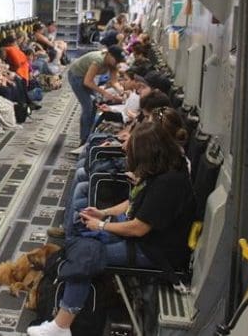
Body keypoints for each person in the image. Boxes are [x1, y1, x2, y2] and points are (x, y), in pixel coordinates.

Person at [28, 122, 194, 336]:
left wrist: (102, 225)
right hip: (148, 242)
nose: (127, 152)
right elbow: (132, 202)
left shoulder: (168, 183)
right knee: (83, 242)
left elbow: (138, 228)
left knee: (86, 255)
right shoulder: (165, 171)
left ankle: (61, 326)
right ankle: (63, 322)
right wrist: (102, 213)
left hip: (156, 253)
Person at [67, 46, 125, 149]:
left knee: (95, 103)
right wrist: (104, 92)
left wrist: (120, 91)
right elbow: (87, 81)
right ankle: (84, 139)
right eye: (116, 60)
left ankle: (90, 134)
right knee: (88, 106)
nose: (116, 63)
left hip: (86, 77)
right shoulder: (98, 60)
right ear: (109, 55)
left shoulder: (112, 64)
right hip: (76, 76)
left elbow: (113, 81)